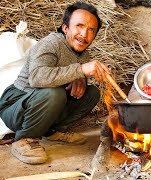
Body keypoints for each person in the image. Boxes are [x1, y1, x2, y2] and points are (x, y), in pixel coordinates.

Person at [0, 2, 110, 164]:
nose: (84, 34)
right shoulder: (51, 43)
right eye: (79, 26)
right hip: (16, 105)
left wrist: (80, 81)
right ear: (65, 28)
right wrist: (80, 70)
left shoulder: (83, 53)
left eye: (91, 30)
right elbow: (37, 78)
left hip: (44, 103)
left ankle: (53, 132)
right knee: (54, 93)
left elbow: (73, 73)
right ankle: (24, 140)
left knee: (92, 93)